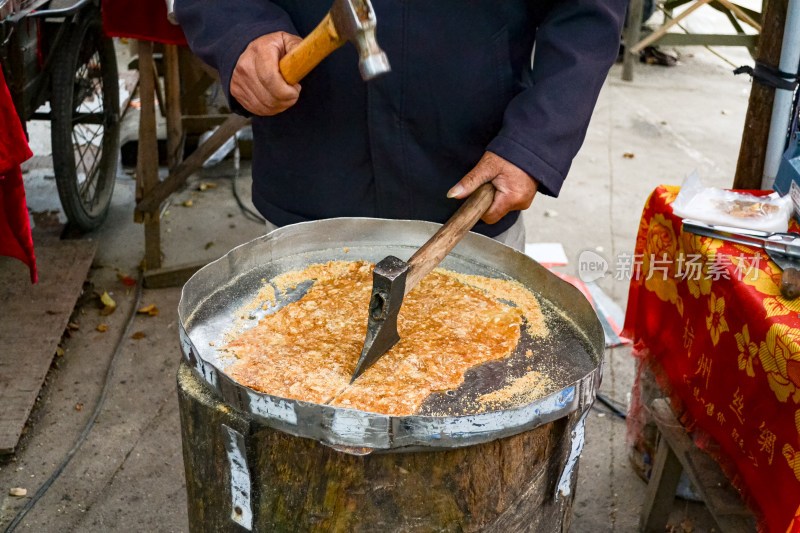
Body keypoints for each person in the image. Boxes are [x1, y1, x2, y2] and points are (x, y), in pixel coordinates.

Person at [175, 0, 627, 251]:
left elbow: (587, 13)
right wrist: (238, 31)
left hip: (470, 190)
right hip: (309, 187)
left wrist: (536, 141)